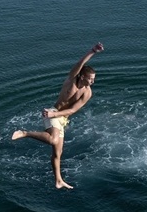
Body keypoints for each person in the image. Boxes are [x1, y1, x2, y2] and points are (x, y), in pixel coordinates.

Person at [12, 42, 104, 189]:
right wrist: (93, 51)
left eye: (94, 79)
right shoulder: (71, 79)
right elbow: (80, 63)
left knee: (58, 152)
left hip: (61, 118)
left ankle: (59, 180)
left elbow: (73, 110)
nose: (93, 81)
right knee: (53, 140)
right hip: (52, 112)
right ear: (82, 76)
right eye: (90, 78)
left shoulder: (87, 93)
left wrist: (58, 115)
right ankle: (25, 133)